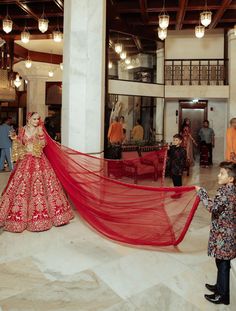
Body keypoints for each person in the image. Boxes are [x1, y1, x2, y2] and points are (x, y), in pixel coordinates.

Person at [0, 112, 74, 232]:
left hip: (39, 160)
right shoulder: (22, 130)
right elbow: (19, 145)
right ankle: (18, 216)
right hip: (25, 160)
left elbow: (43, 145)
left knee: (43, 187)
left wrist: (40, 137)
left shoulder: (40, 129)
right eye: (34, 119)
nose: (36, 121)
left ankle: (51, 216)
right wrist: (14, 139)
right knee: (21, 187)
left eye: (38, 119)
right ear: (28, 119)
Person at [195, 162, 236, 305]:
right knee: (220, 261)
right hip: (224, 232)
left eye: (222, 173)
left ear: (231, 178)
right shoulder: (228, 189)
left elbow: (212, 207)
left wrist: (202, 192)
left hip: (225, 235)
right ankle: (219, 286)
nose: (219, 175)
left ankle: (223, 295)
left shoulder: (227, 192)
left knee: (223, 264)